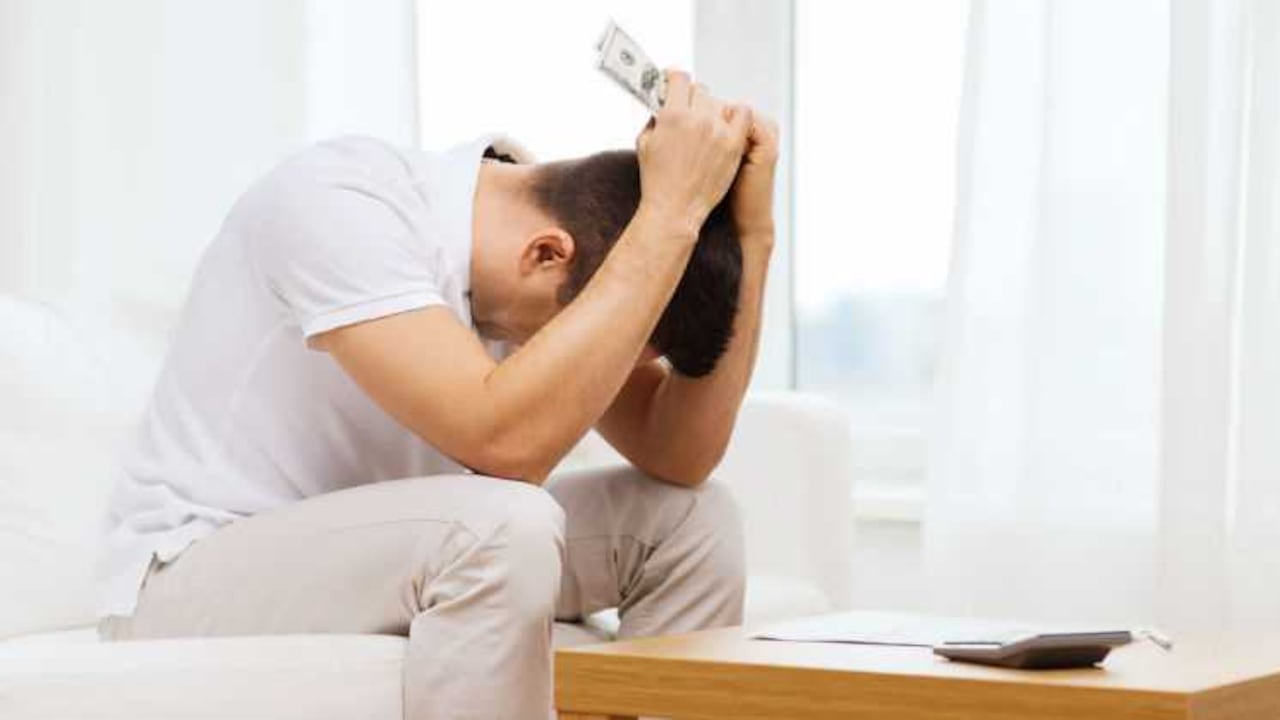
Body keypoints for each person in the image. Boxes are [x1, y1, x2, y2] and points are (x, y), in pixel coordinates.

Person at [97, 69, 778, 720]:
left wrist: (754, 233)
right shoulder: (340, 201)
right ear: (546, 255)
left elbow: (679, 453)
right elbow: (501, 443)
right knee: (502, 525)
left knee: (693, 521)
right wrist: (669, 212)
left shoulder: (546, 250)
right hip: (189, 577)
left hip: (387, 558)